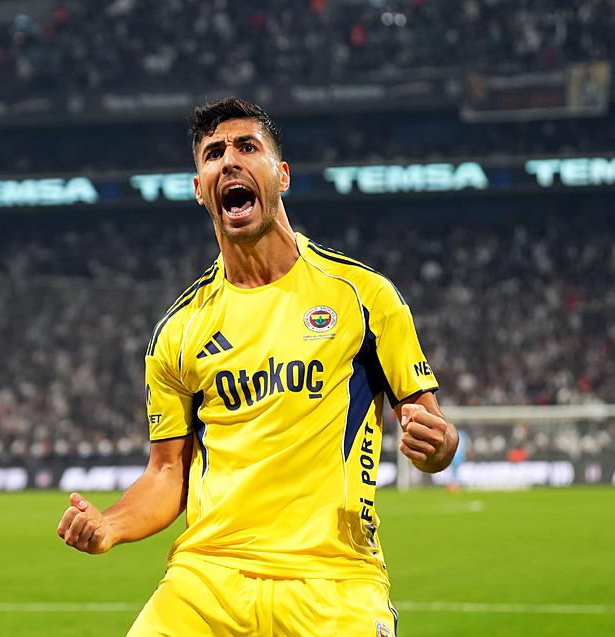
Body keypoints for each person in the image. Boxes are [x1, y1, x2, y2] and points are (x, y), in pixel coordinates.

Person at [57, 97, 458, 636]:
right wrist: (109, 525)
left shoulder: (363, 296)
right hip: (206, 583)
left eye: (247, 147)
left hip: (334, 581)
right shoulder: (178, 331)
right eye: (213, 154)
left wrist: (438, 446)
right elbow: (167, 473)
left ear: (282, 175)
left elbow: (433, 429)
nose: (229, 161)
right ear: (200, 188)